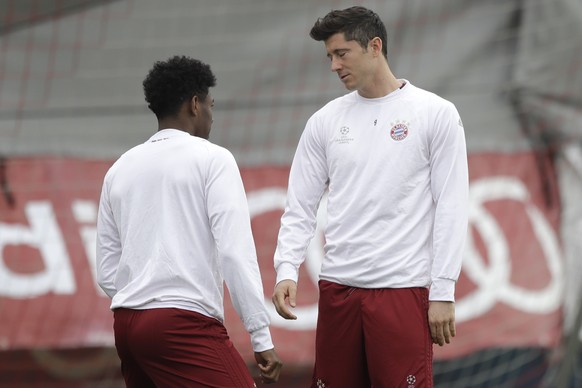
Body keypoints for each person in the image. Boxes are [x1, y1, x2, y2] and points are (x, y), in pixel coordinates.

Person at [272, 6, 468, 388]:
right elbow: (300, 205)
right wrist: (286, 268)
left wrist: (443, 290)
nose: (333, 65)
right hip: (338, 291)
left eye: (341, 53)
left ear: (374, 46)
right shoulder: (324, 121)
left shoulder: (435, 114)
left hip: (402, 291)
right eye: (329, 56)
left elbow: (452, 205)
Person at [96, 55, 282, 387]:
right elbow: (235, 253)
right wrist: (260, 335)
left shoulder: (119, 168)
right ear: (195, 105)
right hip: (182, 324)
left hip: (126, 325)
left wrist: (142, 298)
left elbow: (107, 270)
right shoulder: (213, 159)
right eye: (212, 105)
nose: (212, 114)